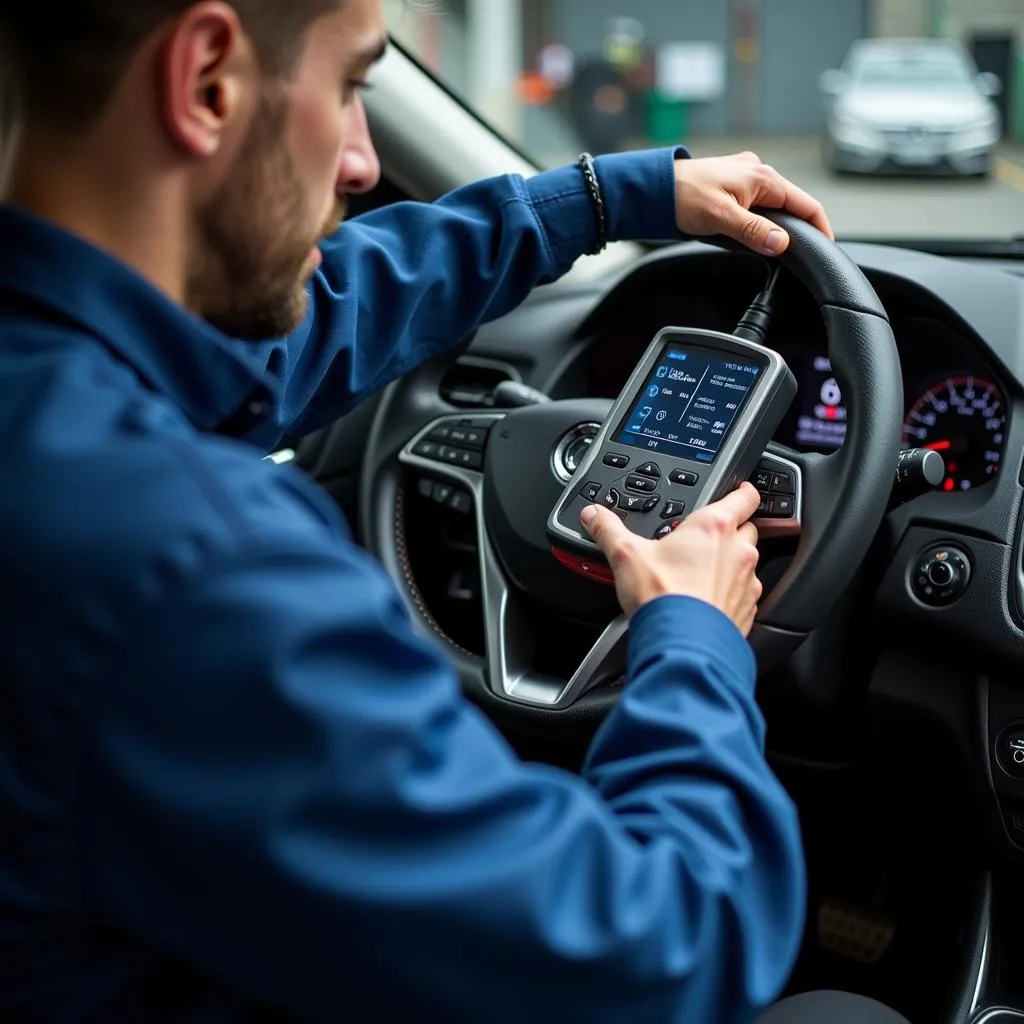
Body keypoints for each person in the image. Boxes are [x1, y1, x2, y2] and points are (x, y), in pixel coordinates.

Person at [0, 2, 913, 1022]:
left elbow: (277, 342)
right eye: (351, 88)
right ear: (208, 81)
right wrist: (692, 636)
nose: (359, 162)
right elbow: (668, 945)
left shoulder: (54, 386)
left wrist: (607, 200)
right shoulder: (195, 568)